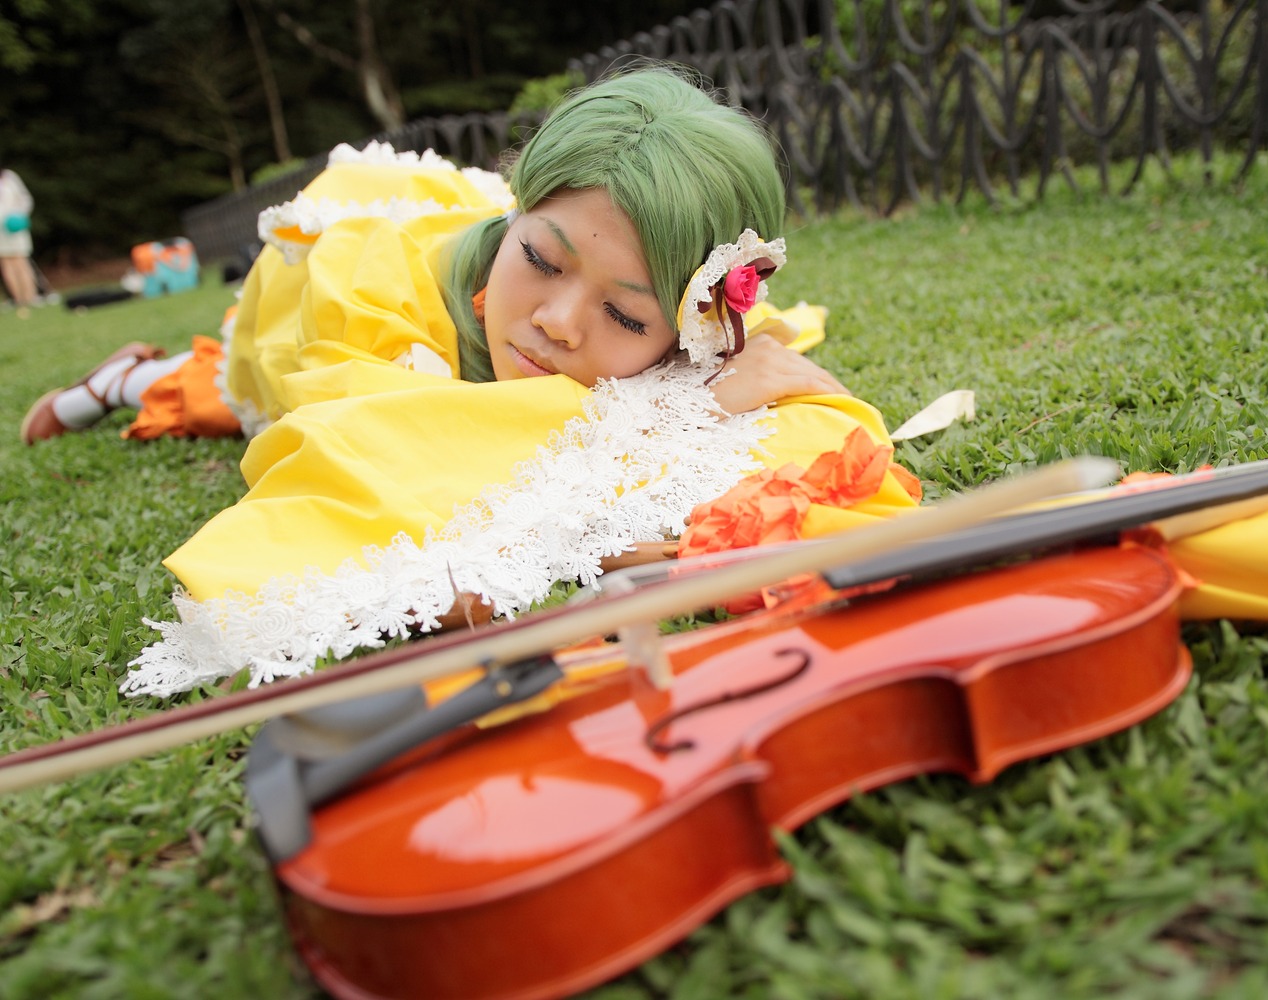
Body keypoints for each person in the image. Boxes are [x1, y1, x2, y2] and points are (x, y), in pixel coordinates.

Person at [22, 67, 923, 696]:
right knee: (223, 393)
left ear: (689, 324)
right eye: (540, 257)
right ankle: (129, 381)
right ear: (518, 212)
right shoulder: (368, 294)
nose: (558, 322)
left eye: (624, 318)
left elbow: (825, 438)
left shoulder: (698, 326)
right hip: (290, 319)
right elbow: (386, 468)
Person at [0, 164, 39, 313]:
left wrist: (20, 215)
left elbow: (25, 198)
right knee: (6, 262)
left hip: (15, 226)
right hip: (0, 231)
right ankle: (18, 300)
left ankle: (31, 297)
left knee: (21, 260)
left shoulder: (9, 177)